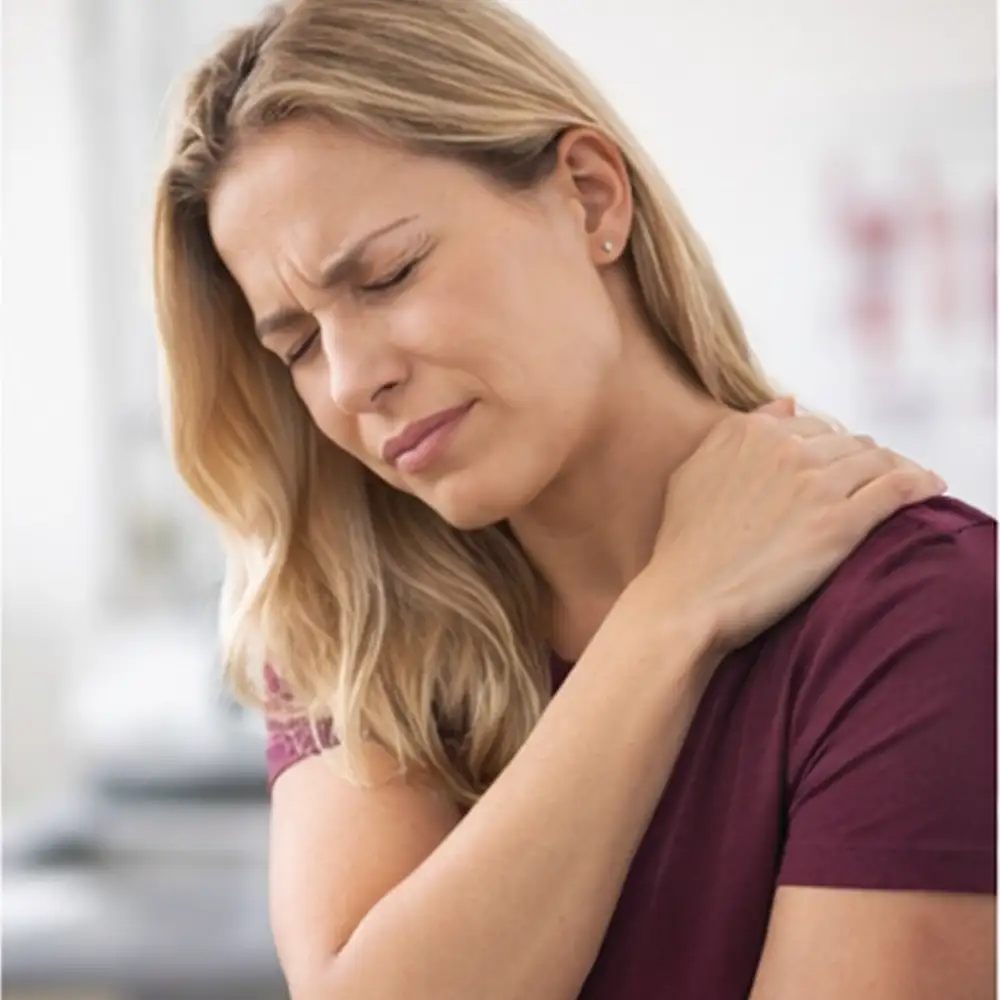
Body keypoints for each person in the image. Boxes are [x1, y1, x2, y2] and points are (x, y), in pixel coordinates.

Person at [152, 1, 996, 998]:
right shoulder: (352, 631)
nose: (348, 380)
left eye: (388, 274)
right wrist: (670, 614)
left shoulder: (923, 611)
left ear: (591, 200)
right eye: (295, 344)